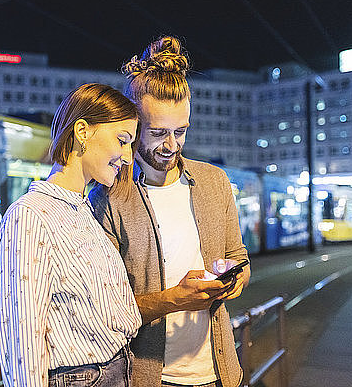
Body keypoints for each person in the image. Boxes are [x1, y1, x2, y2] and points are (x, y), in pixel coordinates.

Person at [89, 36, 250, 387]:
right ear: (132, 127)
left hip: (222, 374)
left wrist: (235, 279)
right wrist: (174, 299)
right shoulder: (108, 198)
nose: (171, 145)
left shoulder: (215, 182)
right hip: (150, 378)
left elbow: (238, 256)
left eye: (181, 131)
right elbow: (107, 310)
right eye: (158, 132)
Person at [0, 83, 143, 386]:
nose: (128, 157)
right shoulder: (30, 215)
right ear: (82, 131)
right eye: (123, 140)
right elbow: (23, 338)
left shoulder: (84, 210)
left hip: (113, 371)